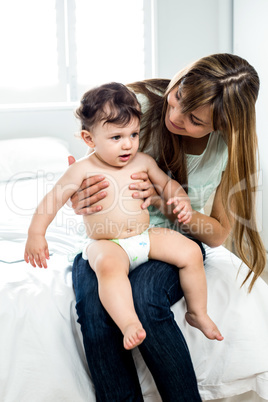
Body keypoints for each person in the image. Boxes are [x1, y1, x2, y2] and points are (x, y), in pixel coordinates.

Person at [69, 53, 267, 401]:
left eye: (193, 119)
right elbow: (86, 178)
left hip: (170, 239)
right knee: (96, 308)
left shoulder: (229, 148)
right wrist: (80, 199)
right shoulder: (135, 104)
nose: (174, 116)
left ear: (222, 125)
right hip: (113, 237)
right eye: (177, 96)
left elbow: (219, 234)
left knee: (146, 299)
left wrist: (164, 202)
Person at [24, 82, 223, 352]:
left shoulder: (142, 161)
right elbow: (52, 200)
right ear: (89, 139)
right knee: (108, 268)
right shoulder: (82, 170)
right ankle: (129, 322)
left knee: (190, 252)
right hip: (108, 243)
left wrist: (181, 201)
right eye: (116, 137)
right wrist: (36, 234)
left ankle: (197, 312)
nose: (128, 144)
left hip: (144, 236)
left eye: (134, 134)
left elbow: (167, 186)